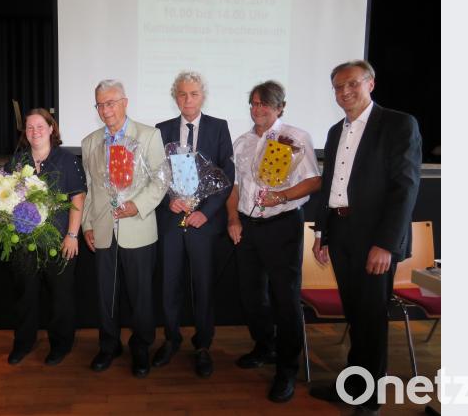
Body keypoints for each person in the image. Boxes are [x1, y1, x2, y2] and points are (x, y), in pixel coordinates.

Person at [309, 60, 421, 415]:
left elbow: (404, 188)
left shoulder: (398, 124)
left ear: (370, 84)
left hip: (375, 238)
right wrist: (322, 231)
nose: (344, 92)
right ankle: (354, 384)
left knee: (371, 318)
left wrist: (387, 243)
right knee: (356, 315)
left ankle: (367, 397)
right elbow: (332, 186)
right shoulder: (333, 130)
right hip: (341, 231)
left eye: (352, 84)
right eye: (338, 87)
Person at [225, 80, 321, 402]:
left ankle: (287, 368)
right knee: (251, 296)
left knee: (285, 298)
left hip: (281, 226)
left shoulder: (295, 138)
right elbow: (236, 188)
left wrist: (280, 197)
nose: (257, 109)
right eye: (253, 104)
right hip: (247, 227)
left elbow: (313, 181)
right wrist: (233, 218)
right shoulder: (241, 142)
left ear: (279, 107)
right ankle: (264, 346)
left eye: (264, 104)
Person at [80, 79, 167, 378]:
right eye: (100, 104)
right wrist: (87, 224)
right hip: (103, 229)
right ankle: (109, 345)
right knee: (106, 294)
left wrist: (137, 205)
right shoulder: (90, 141)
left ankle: (141, 347)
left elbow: (161, 179)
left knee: (141, 295)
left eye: (111, 103)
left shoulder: (148, 135)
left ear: (125, 103)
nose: (106, 110)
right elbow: (90, 189)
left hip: (138, 226)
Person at [152, 71, 234, 377]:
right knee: (169, 284)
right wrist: (167, 200)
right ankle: (171, 339)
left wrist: (208, 212)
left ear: (203, 96)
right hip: (172, 220)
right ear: (176, 97)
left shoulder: (218, 127)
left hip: (204, 222)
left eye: (194, 94)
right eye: (183, 94)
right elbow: (153, 177)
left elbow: (227, 176)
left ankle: (203, 346)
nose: (188, 99)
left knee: (203, 285)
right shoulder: (161, 130)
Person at [6, 108, 87, 367]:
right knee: (25, 297)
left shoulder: (67, 160)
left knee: (60, 299)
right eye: (29, 127)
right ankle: (23, 343)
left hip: (59, 242)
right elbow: (5, 198)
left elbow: (78, 196)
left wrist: (72, 235)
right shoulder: (18, 162)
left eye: (40, 126)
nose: (35, 131)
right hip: (24, 243)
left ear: (52, 129)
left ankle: (61, 345)